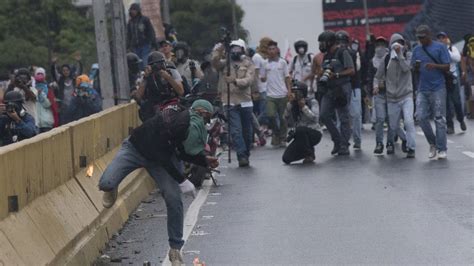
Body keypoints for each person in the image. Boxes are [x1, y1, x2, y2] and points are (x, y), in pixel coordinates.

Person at [98, 99, 219, 265]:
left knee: (174, 199)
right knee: (106, 183)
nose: (205, 123)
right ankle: (111, 187)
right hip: (137, 149)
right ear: (200, 112)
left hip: (162, 156)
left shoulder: (186, 124)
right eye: (206, 119)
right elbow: (161, 155)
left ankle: (175, 249)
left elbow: (182, 151)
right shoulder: (174, 122)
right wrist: (182, 179)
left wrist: (204, 160)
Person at [211, 39, 256, 167]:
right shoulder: (225, 63)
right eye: (233, 49)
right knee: (236, 131)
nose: (235, 51)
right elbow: (215, 62)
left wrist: (235, 81)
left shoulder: (248, 63)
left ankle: (246, 152)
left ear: (243, 50)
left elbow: (249, 79)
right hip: (229, 102)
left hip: (245, 101)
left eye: (238, 49)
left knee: (247, 131)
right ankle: (241, 156)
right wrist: (218, 50)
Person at [411, 25, 451, 159]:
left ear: (429, 35)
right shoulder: (416, 50)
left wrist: (435, 66)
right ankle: (432, 143)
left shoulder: (440, 47)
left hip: (438, 87)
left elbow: (447, 66)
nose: (421, 40)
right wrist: (415, 67)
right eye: (419, 38)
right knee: (421, 117)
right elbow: (413, 68)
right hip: (422, 88)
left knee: (439, 118)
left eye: (423, 37)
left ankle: (441, 148)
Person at [374, 33, 416, 158]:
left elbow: (406, 68)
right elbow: (377, 76)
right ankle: (405, 140)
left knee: (408, 122)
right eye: (396, 43)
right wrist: (376, 85)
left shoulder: (408, 56)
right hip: (392, 98)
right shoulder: (386, 59)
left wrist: (400, 55)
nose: (399, 45)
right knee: (393, 126)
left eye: (401, 43)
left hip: (406, 95)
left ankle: (411, 148)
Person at [317, 31, 355, 156]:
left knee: (343, 117)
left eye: (323, 42)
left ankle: (344, 144)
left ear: (330, 42)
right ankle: (337, 139)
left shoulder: (342, 52)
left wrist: (337, 74)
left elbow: (351, 70)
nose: (321, 45)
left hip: (342, 87)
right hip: (329, 89)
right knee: (324, 115)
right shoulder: (326, 55)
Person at [134, 51, 184, 122]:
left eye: (159, 64)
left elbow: (181, 91)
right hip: (155, 105)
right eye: (153, 65)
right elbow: (138, 97)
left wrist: (168, 78)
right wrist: (145, 78)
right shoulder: (148, 74)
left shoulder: (171, 70)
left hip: (171, 102)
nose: (157, 67)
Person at [261, 40, 292, 147]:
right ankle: (276, 133)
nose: (271, 51)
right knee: (270, 115)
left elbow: (287, 78)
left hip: (282, 94)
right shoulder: (264, 63)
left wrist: (289, 91)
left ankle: (283, 138)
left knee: (283, 118)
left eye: (273, 49)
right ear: (267, 51)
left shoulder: (282, 62)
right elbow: (263, 78)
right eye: (269, 49)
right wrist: (262, 77)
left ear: (277, 50)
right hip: (270, 95)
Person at [336, 30, 363, 150]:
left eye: (343, 42)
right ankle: (341, 141)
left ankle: (357, 140)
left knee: (356, 115)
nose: (341, 44)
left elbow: (357, 68)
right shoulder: (333, 55)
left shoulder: (354, 53)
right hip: (339, 89)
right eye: (339, 42)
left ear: (347, 42)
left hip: (354, 87)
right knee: (340, 117)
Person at [282, 82, 322, 164]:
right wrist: (289, 105)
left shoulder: (312, 102)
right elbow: (285, 118)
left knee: (300, 130)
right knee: (286, 158)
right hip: (300, 135)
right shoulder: (292, 104)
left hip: (314, 132)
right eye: (294, 92)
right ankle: (306, 150)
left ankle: (309, 154)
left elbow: (315, 118)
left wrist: (304, 107)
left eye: (297, 92)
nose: (295, 94)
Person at [437, 32, 467, 134]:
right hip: (442, 78)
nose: (441, 40)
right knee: (446, 104)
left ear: (446, 39)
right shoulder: (436, 50)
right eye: (439, 38)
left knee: (457, 101)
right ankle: (450, 126)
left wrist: (445, 50)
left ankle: (461, 119)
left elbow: (457, 58)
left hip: (453, 77)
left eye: (443, 38)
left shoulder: (452, 49)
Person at [126, 3, 157, 70]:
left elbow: (151, 32)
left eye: (134, 10)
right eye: (131, 10)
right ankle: (142, 79)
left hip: (145, 45)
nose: (133, 11)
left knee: (145, 63)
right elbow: (129, 35)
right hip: (135, 47)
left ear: (138, 10)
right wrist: (128, 46)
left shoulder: (145, 20)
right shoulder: (130, 22)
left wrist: (153, 43)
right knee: (138, 64)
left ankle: (148, 78)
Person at [252, 37, 272, 128]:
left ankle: (262, 127)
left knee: (267, 110)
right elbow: (255, 73)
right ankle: (254, 126)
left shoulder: (267, 57)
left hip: (268, 87)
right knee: (265, 111)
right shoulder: (257, 57)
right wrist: (255, 89)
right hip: (261, 88)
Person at [34, 67, 58, 132]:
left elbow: (48, 104)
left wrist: (40, 94)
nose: (39, 76)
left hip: (46, 122)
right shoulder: (32, 88)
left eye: (41, 74)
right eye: (38, 74)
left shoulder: (48, 89)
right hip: (36, 122)